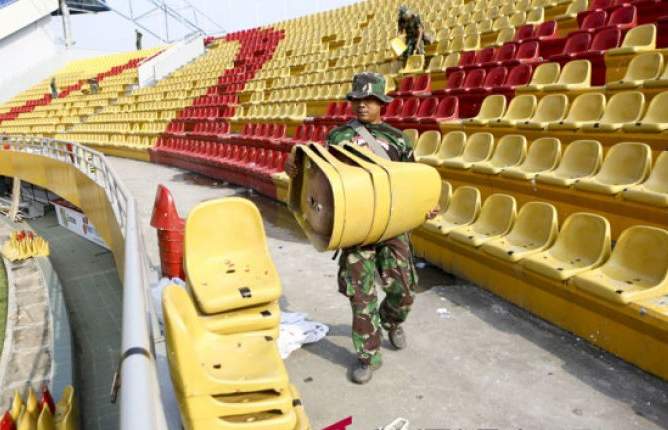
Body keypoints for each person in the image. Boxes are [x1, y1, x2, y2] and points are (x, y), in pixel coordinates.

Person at [285, 72, 438, 384]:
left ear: (382, 103)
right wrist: (295, 172)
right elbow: (322, 182)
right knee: (361, 295)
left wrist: (426, 205)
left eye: (369, 100)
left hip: (392, 225)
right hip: (356, 229)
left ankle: (392, 321)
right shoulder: (338, 139)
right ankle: (368, 355)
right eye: (357, 100)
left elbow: (412, 182)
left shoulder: (398, 140)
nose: (362, 106)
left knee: (404, 290)